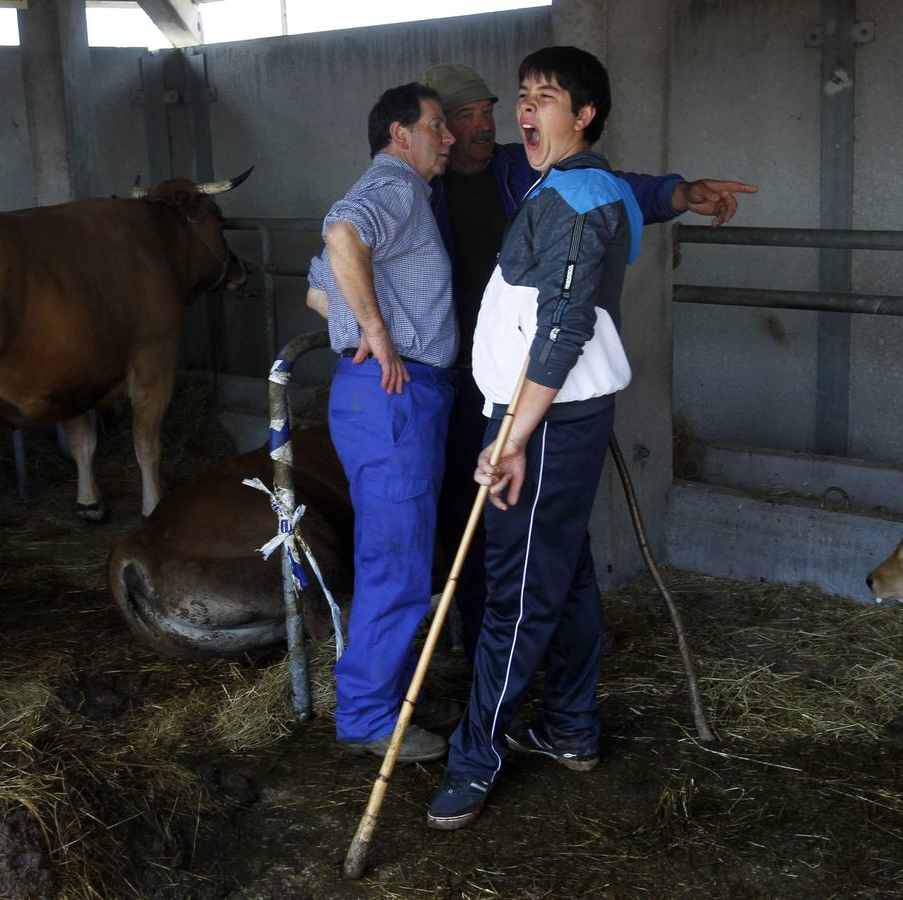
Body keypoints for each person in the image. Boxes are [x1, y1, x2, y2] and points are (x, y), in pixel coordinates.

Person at [427, 46, 715, 829]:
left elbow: (562, 328)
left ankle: (475, 758)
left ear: (584, 115)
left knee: (515, 592)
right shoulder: (570, 184)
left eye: (546, 97)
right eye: (523, 95)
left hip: (544, 419)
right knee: (568, 572)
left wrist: (513, 437)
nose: (526, 110)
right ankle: (569, 725)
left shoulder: (579, 197)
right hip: (547, 415)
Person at [421, 62, 756, 659]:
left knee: (533, 530)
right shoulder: (421, 190)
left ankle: (528, 669)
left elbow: (607, 189)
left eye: (487, 110)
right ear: (439, 128)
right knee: (479, 518)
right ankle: (483, 652)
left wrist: (678, 193)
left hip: (539, 381)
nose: (483, 125)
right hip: (463, 375)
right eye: (464, 116)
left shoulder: (521, 168)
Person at [303, 83, 462, 763]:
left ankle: (392, 696)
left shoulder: (403, 194)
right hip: (395, 391)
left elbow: (318, 289)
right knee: (396, 560)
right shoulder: (394, 186)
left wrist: (357, 323)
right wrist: (375, 332)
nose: (448, 138)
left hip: (383, 394)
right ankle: (369, 717)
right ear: (401, 134)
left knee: (399, 552)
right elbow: (341, 235)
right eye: (437, 125)